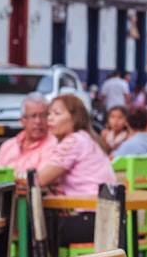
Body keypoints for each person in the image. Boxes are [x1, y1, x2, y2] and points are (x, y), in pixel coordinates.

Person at [38, 94, 116, 245]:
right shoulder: (86, 138)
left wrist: (16, 176)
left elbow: (41, 179)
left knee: (35, 228)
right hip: (107, 217)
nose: (50, 118)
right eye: (49, 113)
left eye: (57, 113)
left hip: (92, 219)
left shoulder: (73, 141)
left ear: (75, 118)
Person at [0, 92, 58, 174]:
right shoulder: (7, 146)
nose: (38, 121)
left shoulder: (54, 146)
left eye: (43, 115)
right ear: (22, 121)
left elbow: (39, 180)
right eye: (33, 116)